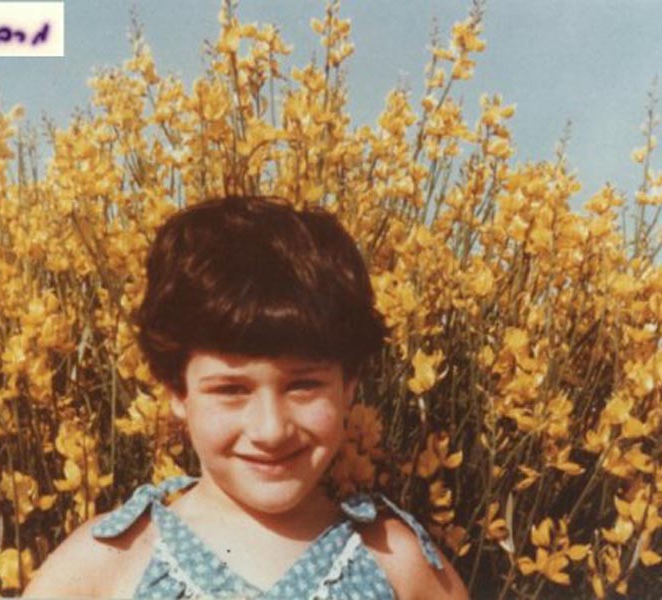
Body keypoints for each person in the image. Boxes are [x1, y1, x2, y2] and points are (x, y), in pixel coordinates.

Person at [23, 196, 468, 599]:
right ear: (176, 390)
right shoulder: (106, 564)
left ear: (349, 384)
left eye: (303, 386)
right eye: (231, 390)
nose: (271, 430)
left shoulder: (399, 565)